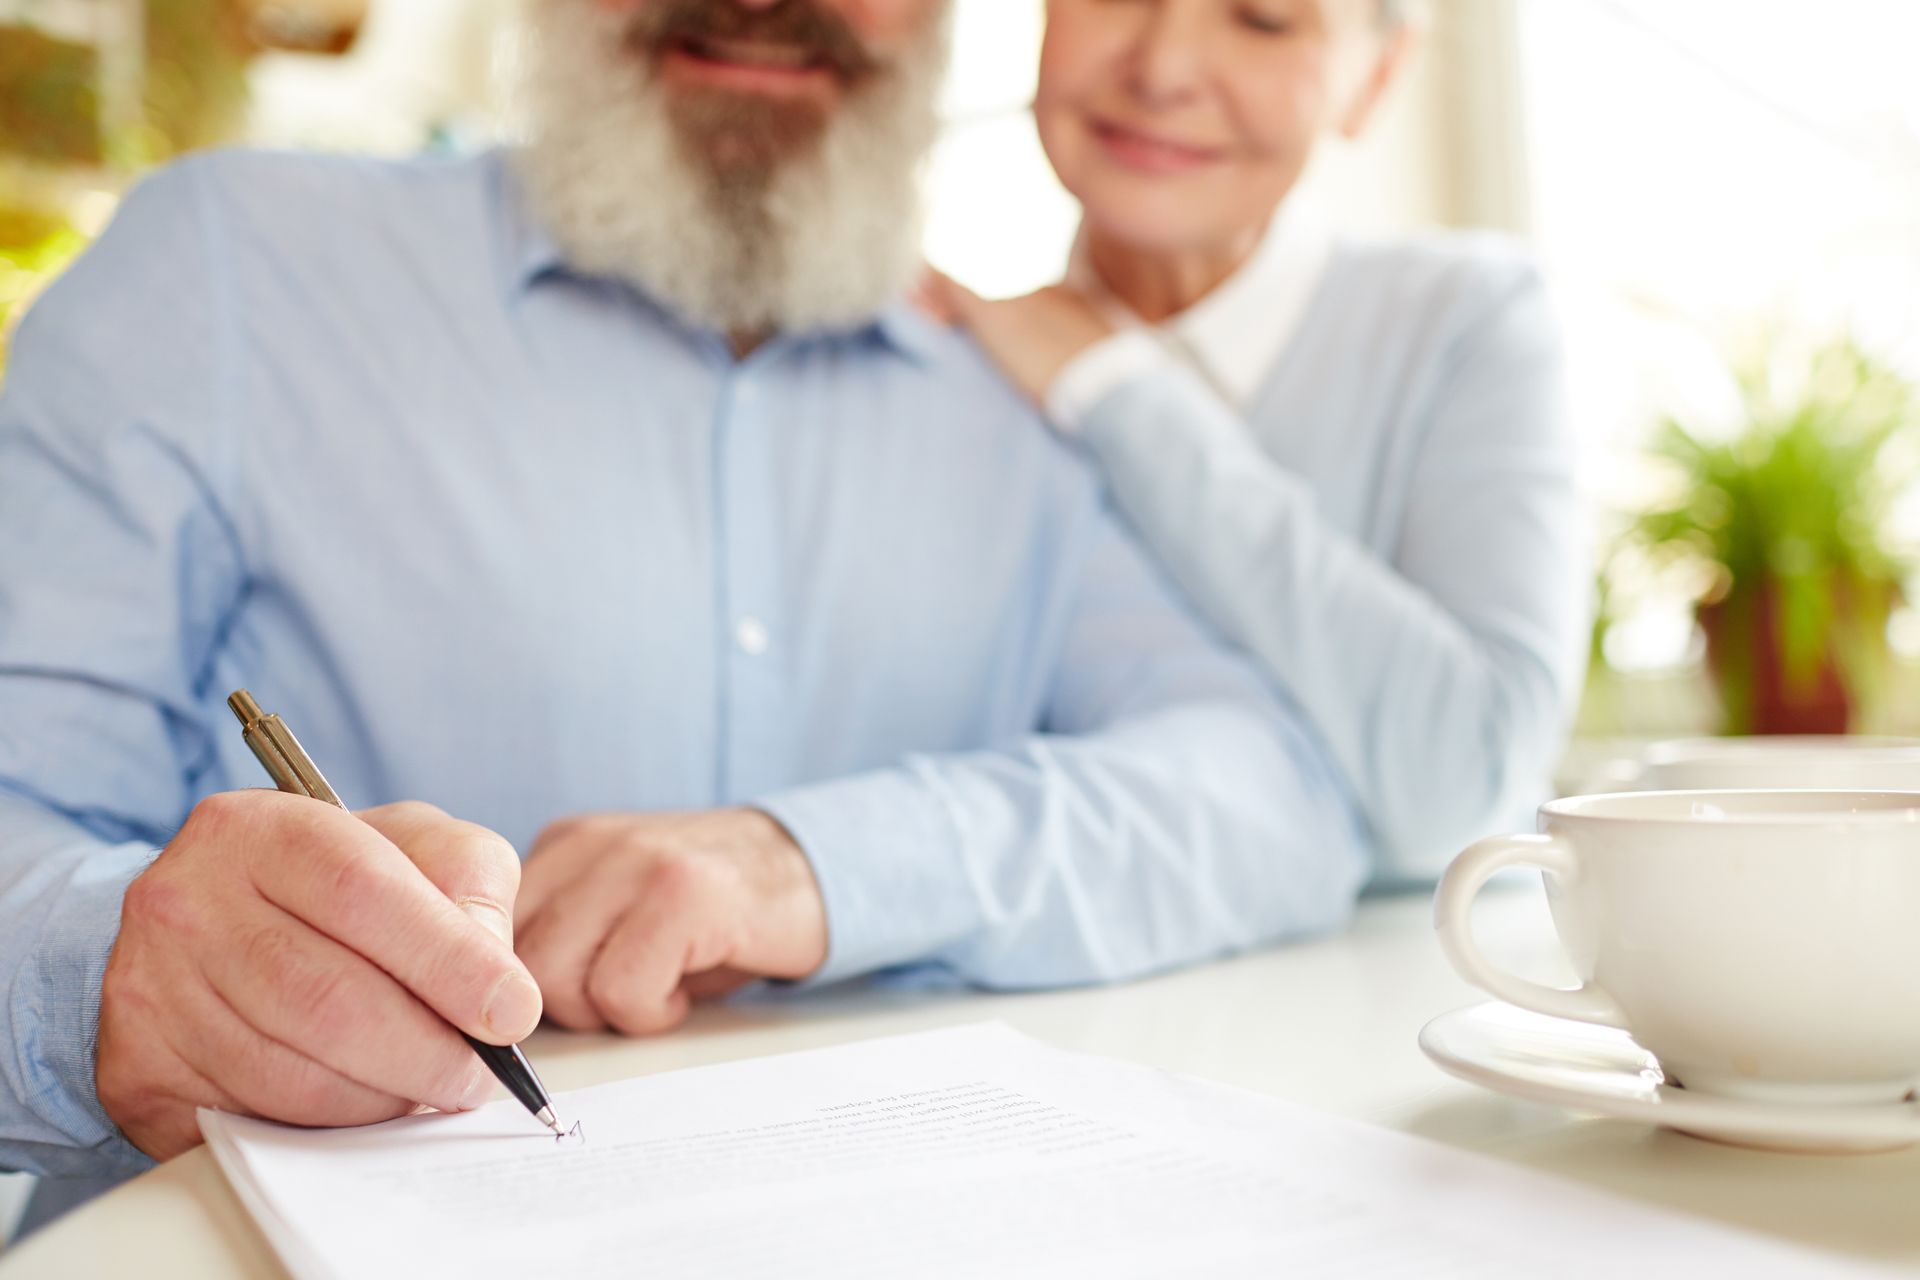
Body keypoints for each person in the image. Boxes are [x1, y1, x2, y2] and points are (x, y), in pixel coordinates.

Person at [0, 0, 1369, 1227]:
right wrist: (117, 972)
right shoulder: (233, 267)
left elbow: (1275, 793)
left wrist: (817, 862)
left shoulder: (1017, 392)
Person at [923, 0, 1589, 882]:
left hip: (1406, 1000)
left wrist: (1117, 389)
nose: (1162, 69)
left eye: (1264, 18)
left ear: (1378, 75)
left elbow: (1463, 788)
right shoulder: (955, 363)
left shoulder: (1466, 322)